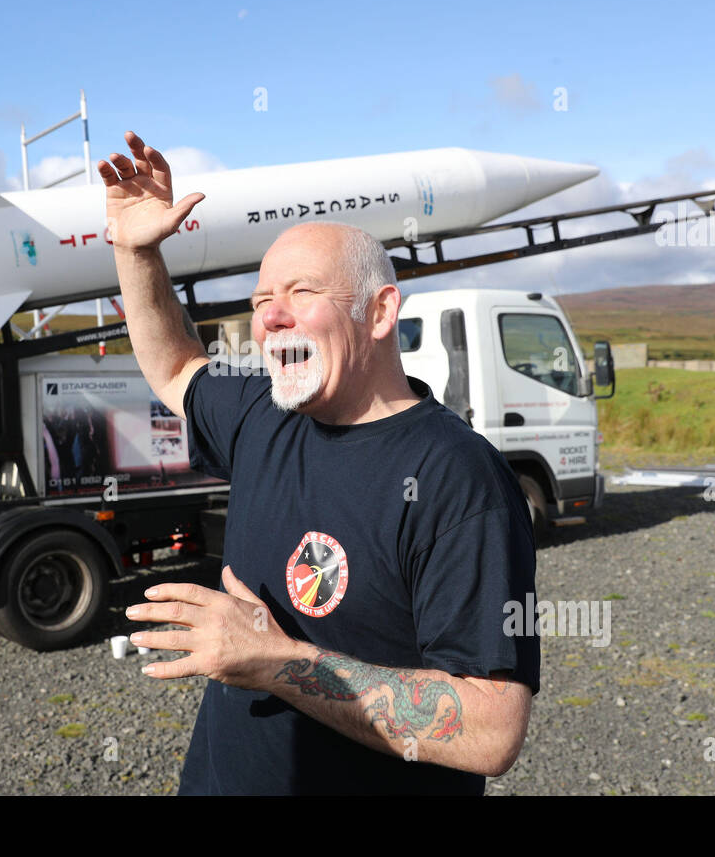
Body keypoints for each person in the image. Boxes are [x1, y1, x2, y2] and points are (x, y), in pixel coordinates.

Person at [100, 131, 539, 795]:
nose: (270, 317)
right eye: (258, 302)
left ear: (380, 311)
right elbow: (174, 365)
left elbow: (492, 728)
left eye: (300, 292)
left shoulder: (457, 479)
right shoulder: (261, 418)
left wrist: (274, 659)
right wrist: (136, 252)